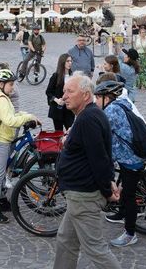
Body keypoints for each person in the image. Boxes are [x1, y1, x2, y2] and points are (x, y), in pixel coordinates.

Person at [53, 72, 121, 269]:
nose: (64, 96)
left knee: (95, 249)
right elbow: (102, 154)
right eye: (64, 91)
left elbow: (99, 158)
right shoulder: (87, 115)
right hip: (78, 195)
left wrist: (108, 190)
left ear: (85, 94)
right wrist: (109, 181)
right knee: (65, 241)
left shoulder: (88, 119)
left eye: (70, 91)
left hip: (83, 196)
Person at [93, 79, 144, 247]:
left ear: (106, 98)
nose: (95, 101)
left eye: (97, 97)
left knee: (129, 196)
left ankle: (130, 234)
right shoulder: (121, 102)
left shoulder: (112, 110)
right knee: (122, 188)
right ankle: (120, 210)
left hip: (131, 159)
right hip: (127, 155)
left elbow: (96, 128)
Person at [0, 69, 38, 223]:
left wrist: (28, 115)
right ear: (1, 84)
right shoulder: (1, 99)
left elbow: (12, 115)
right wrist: (28, 117)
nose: (13, 87)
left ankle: (1, 200)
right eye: (10, 84)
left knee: (1, 172)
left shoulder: (3, 97)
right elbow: (10, 121)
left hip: (3, 138)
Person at [45, 53, 74, 131]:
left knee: (71, 131)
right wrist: (57, 100)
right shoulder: (56, 76)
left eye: (71, 61)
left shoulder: (73, 76)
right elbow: (48, 92)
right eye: (67, 61)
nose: (70, 63)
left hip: (69, 109)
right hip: (58, 110)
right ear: (62, 62)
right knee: (59, 133)